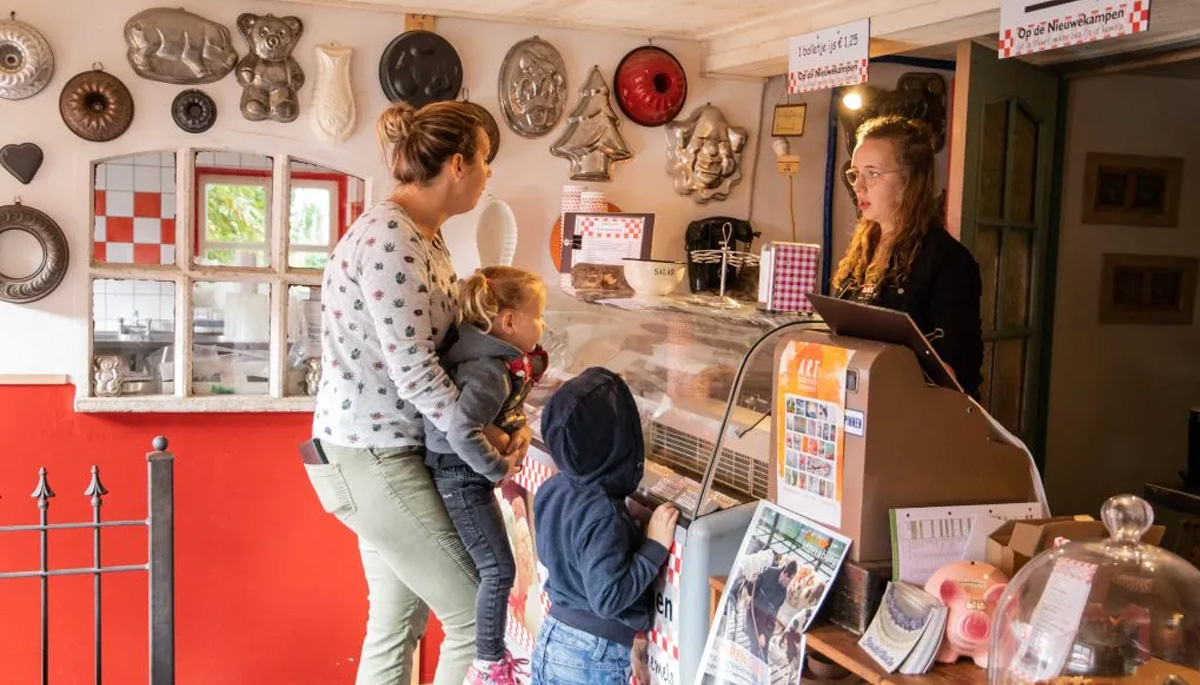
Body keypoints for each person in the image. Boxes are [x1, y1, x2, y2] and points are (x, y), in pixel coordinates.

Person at [302, 100, 530, 685]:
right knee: (472, 608)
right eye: (484, 162)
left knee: (397, 622)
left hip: (378, 452)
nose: (487, 175)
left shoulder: (423, 235)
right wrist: (481, 438)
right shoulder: (390, 239)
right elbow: (416, 371)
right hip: (370, 455)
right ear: (457, 165)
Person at [422, 265, 549, 684]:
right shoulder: (488, 371)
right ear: (509, 322)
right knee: (498, 570)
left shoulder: (492, 360)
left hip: (465, 474)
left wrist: (519, 430)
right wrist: (497, 468)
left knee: (497, 568)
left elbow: (495, 416)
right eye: (539, 316)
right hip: (461, 478)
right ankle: (490, 665)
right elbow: (462, 430)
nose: (543, 325)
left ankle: (491, 659)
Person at [530, 368, 679, 685]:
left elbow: (550, 554)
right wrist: (654, 547)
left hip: (553, 635)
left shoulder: (553, 488)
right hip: (590, 653)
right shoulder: (601, 512)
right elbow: (608, 598)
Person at [833, 115, 985, 399]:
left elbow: (955, 374)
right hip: (862, 407)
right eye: (854, 173)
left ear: (909, 179)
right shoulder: (864, 250)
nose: (858, 186)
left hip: (915, 421)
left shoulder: (948, 261)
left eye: (872, 173)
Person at [745, 560, 797, 662]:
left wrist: (764, 634)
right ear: (785, 575)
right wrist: (750, 581)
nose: (788, 584)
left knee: (764, 651)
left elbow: (772, 618)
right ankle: (752, 671)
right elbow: (751, 591)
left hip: (764, 622)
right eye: (789, 581)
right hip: (752, 614)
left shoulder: (782, 594)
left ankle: (763, 668)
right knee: (756, 648)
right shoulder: (769, 572)